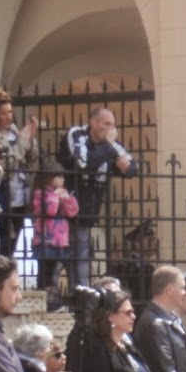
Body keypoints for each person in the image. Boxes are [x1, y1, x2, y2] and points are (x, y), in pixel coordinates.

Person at [59, 108, 138, 287]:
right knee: (57, 256)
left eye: (113, 125)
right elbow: (84, 163)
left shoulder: (109, 143)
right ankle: (53, 297)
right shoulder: (78, 134)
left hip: (86, 213)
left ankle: (80, 298)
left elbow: (133, 166)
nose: (111, 129)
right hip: (62, 209)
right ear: (93, 123)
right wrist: (108, 148)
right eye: (107, 124)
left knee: (81, 257)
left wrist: (125, 167)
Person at [0, 88, 40, 257]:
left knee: (14, 238)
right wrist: (23, 142)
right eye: (3, 113)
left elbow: (32, 158)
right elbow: (2, 163)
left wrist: (31, 137)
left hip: (21, 191)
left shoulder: (13, 130)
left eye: (10, 112)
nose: (9, 117)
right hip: (0, 191)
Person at [30, 161, 79, 292]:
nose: (63, 179)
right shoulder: (40, 194)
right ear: (49, 177)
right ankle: (43, 292)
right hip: (45, 240)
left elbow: (72, 211)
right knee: (45, 270)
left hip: (59, 241)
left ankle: (50, 293)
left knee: (53, 269)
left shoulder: (62, 193)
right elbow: (49, 210)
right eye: (59, 176)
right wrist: (56, 196)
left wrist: (67, 199)